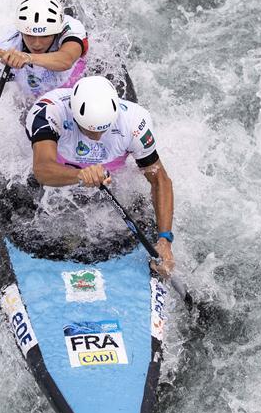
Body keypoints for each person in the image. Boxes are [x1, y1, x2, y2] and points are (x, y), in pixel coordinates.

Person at [25, 75, 176, 276]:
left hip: (110, 172)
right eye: (88, 129)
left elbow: (160, 180)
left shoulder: (134, 122)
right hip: (60, 169)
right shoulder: (49, 111)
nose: (96, 137)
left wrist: (165, 239)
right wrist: (80, 174)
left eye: (103, 129)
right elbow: (42, 169)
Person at [0, 0, 88, 180]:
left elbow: (67, 59)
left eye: (44, 36)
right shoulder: (3, 51)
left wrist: (28, 58)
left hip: (77, 85)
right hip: (39, 99)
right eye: (29, 35)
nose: (37, 43)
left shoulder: (70, 28)